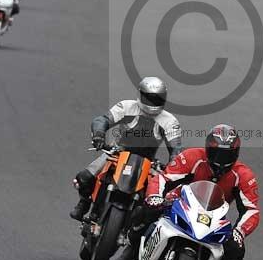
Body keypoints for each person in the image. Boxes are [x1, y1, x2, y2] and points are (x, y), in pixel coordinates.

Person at [113, 124, 260, 260]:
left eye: (227, 155)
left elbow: (251, 209)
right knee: (145, 210)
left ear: (236, 154)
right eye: (216, 154)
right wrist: (155, 197)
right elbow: (163, 178)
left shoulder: (243, 175)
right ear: (208, 150)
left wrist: (240, 231)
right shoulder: (192, 157)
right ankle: (131, 249)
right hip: (177, 204)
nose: (221, 160)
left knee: (236, 252)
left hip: (211, 217)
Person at [70, 77, 183, 221]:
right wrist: (99, 135)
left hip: (149, 163)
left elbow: (176, 149)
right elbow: (102, 120)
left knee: (156, 199)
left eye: (157, 99)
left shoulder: (169, 121)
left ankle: (139, 227)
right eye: (149, 98)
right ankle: (84, 203)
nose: (153, 103)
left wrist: (173, 164)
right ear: (140, 95)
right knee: (84, 178)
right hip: (117, 153)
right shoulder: (127, 106)